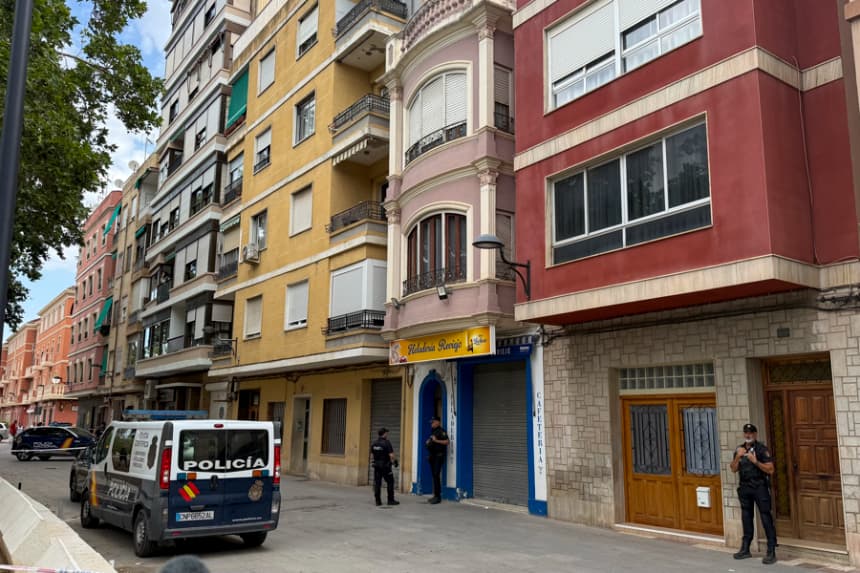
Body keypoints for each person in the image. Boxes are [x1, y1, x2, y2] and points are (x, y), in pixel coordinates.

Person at [730, 422, 777, 565]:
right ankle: (745, 548)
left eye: (750, 433)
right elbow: (733, 469)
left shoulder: (762, 449)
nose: (748, 435)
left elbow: (770, 470)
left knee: (765, 517)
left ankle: (771, 550)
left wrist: (755, 461)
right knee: (746, 517)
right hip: (745, 487)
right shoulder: (740, 449)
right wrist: (738, 457)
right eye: (746, 433)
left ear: (755, 434)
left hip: (759, 487)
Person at [370, 427, 399, 507]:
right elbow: (391, 455)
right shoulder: (387, 443)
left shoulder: (374, 443)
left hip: (377, 466)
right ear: (384, 434)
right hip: (385, 466)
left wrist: (374, 462)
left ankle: (378, 501)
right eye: (387, 433)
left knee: (377, 483)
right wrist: (395, 461)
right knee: (390, 482)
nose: (387, 434)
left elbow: (372, 455)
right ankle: (390, 500)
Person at [425, 416, 449, 504]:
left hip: (439, 456)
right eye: (431, 422)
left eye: (433, 422)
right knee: (434, 476)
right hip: (433, 456)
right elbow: (432, 442)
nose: (431, 424)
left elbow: (447, 442)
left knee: (436, 475)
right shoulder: (433, 431)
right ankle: (435, 495)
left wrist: (436, 441)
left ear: (438, 422)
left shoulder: (442, 431)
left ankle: (438, 497)